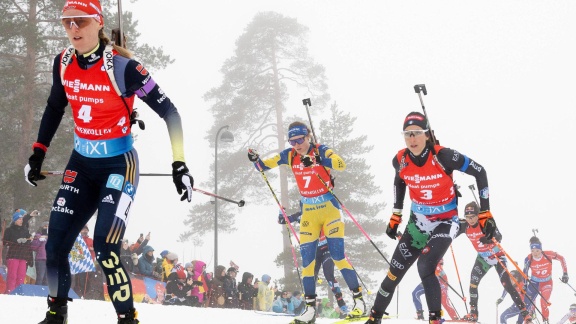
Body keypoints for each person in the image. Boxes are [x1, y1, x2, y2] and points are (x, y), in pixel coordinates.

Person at [23, 0, 194, 322]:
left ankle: (127, 318)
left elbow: (170, 112)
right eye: (67, 22)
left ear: (98, 23)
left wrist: (179, 163)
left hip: (119, 165)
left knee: (105, 248)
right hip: (81, 163)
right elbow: (54, 107)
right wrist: (38, 152)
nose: (73, 28)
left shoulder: (124, 68)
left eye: (81, 21)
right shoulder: (62, 62)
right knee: (55, 245)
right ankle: (55, 315)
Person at [364, 111, 496, 324]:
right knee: (393, 273)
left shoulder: (444, 156)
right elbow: (399, 181)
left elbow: (480, 171)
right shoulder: (400, 160)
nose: (412, 139)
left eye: (416, 133)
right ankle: (374, 318)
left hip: (446, 222)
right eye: (407, 134)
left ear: (427, 134)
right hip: (418, 224)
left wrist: (485, 212)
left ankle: (435, 320)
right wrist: (396, 215)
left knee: (425, 265)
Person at [248, 121, 366, 324]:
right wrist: (255, 160)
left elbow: (341, 164)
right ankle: (310, 310)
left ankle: (360, 302)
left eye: (300, 140)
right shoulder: (289, 155)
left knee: (338, 257)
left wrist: (320, 161)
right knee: (307, 266)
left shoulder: (321, 150)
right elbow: (264, 166)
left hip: (329, 210)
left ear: (308, 137)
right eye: (292, 141)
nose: (296, 144)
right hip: (309, 213)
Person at [454, 201, 531, 323]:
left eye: (473, 217)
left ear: (478, 215)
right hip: (483, 258)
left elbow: (499, 236)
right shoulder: (465, 226)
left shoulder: (485, 222)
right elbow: (451, 231)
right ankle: (474, 313)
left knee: (507, 284)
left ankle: (525, 313)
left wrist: (489, 238)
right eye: (468, 217)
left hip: (497, 256)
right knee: (473, 284)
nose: (471, 220)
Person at [279, 205, 350, 314]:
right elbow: (282, 220)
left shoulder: (322, 211)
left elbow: (336, 214)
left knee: (328, 274)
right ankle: (308, 308)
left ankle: (342, 304)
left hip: (327, 248)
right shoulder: (301, 215)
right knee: (311, 277)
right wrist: (281, 212)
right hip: (314, 250)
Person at [521, 236, 569, 324]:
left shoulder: (548, 254)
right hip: (534, 282)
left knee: (543, 302)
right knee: (527, 301)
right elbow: (525, 272)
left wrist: (565, 273)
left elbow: (562, 258)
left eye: (537, 251)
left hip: (547, 282)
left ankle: (545, 320)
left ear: (541, 249)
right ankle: (531, 315)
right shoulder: (528, 259)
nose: (535, 253)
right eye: (532, 251)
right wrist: (524, 285)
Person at [3, 209, 35, 293]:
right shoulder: (9, 230)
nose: (21, 221)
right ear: (15, 220)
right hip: (13, 255)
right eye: (19, 219)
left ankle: (18, 292)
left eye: (21, 219)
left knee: (21, 275)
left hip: (23, 256)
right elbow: (5, 241)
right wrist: (16, 241)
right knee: (12, 275)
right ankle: (10, 291)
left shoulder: (25, 229)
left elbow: (29, 239)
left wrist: (28, 239)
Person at [31, 221, 50, 286]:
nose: (47, 228)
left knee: (47, 279)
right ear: (41, 227)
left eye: (48, 226)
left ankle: (44, 294)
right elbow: (33, 247)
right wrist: (40, 240)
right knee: (40, 277)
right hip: (41, 259)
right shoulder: (38, 235)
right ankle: (37, 292)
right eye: (45, 226)